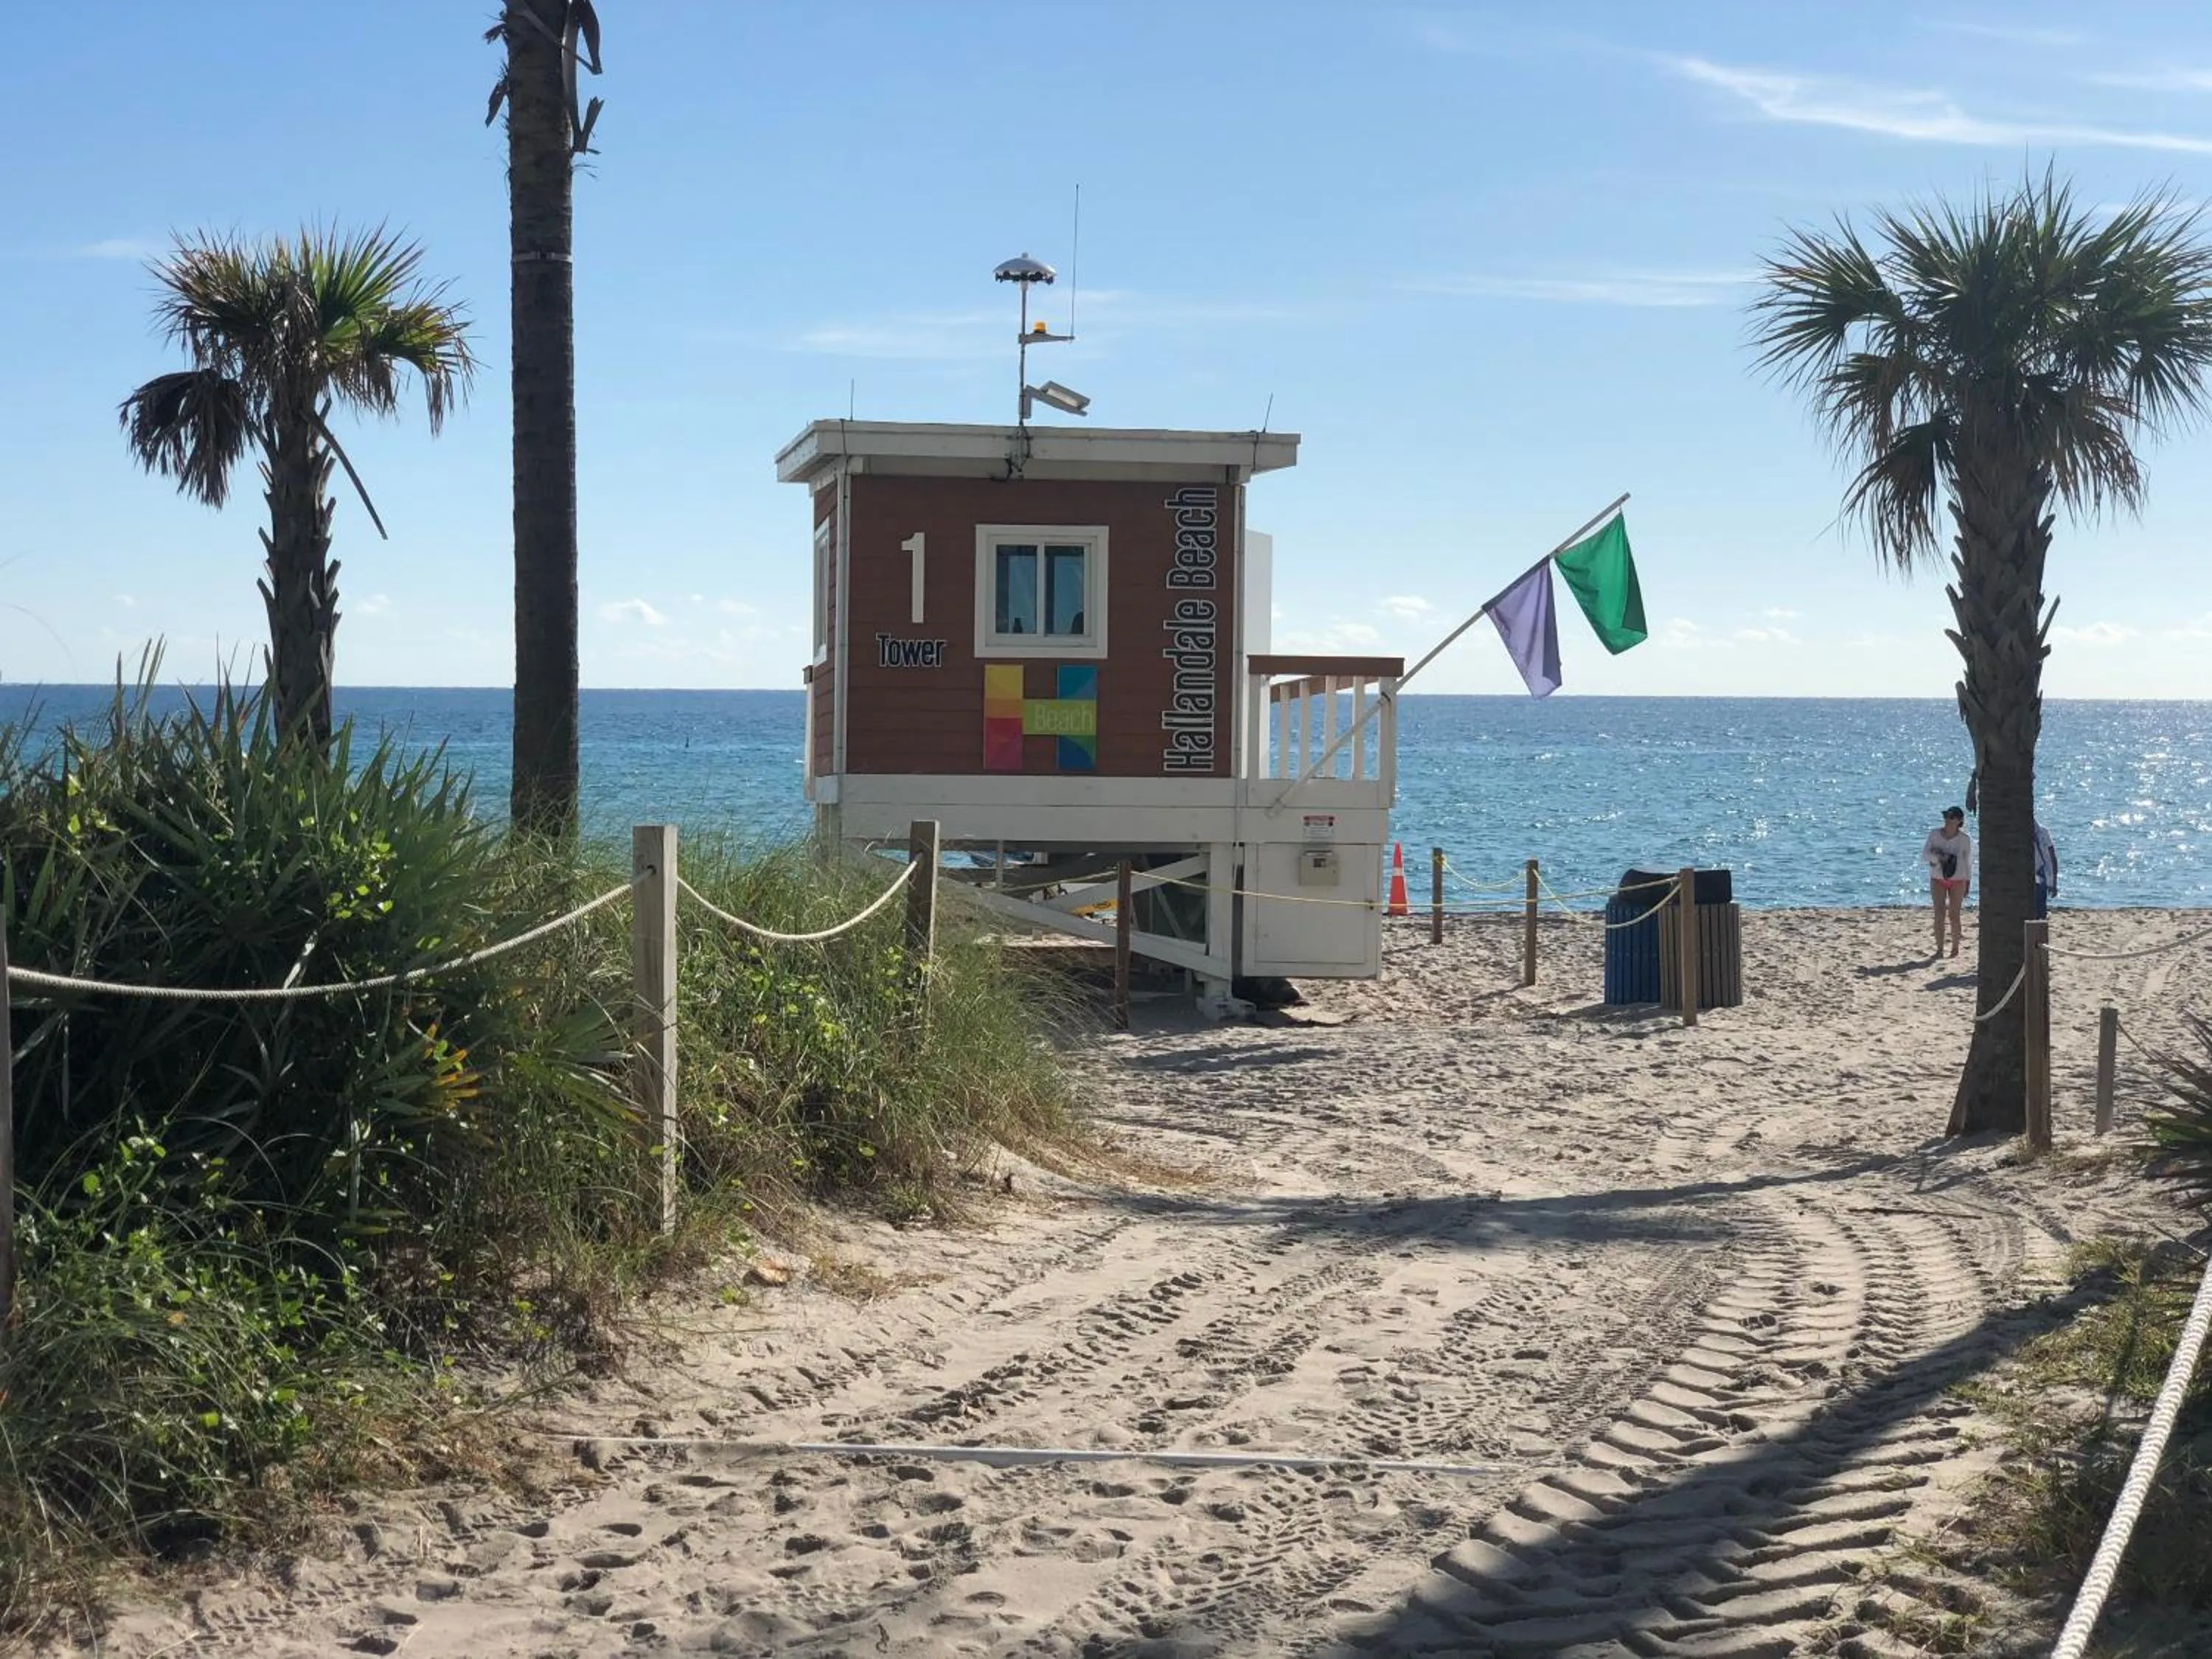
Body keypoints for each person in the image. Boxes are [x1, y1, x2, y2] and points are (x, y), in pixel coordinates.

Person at [1923, 806, 1972, 959]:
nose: (1947, 820)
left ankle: (1955, 948)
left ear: (1959, 821)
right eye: (1946, 816)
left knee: (1954, 914)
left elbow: (1967, 862)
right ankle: (1939, 949)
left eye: (1951, 817)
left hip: (1958, 879)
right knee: (1939, 913)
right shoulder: (1935, 834)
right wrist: (1937, 857)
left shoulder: (1964, 839)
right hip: (1938, 878)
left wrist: (1968, 881)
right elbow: (1925, 854)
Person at [2034, 821, 2059, 919]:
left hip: (2040, 874)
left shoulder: (2042, 832)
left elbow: (2052, 856)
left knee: (2039, 909)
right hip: (2041, 874)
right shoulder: (2042, 831)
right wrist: (2053, 883)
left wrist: (2053, 882)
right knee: (2040, 910)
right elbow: (2052, 856)